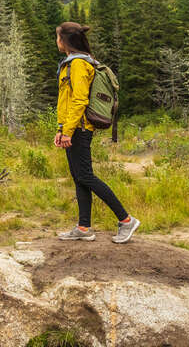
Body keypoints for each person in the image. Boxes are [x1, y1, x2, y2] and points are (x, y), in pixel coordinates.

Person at [53, 21, 139, 243]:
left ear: (66, 40)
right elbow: (67, 101)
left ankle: (126, 220)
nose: (57, 41)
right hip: (73, 127)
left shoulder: (79, 65)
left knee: (86, 176)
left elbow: (80, 100)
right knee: (79, 177)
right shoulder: (73, 63)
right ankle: (83, 227)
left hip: (80, 129)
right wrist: (61, 129)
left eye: (58, 37)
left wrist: (69, 131)